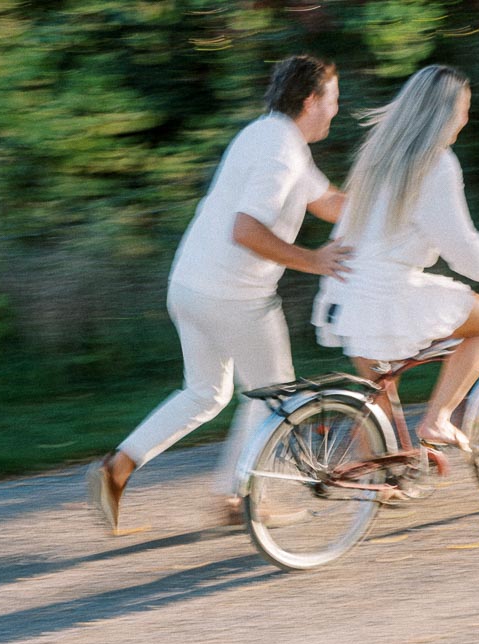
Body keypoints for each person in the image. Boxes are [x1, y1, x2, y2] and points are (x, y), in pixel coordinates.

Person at [87, 54, 351, 532]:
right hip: (235, 296)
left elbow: (329, 202)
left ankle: (118, 468)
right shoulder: (281, 151)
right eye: (333, 99)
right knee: (276, 396)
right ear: (311, 100)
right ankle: (240, 498)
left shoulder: (268, 134)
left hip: (190, 286)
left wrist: (390, 204)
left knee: (206, 393)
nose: (337, 108)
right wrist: (313, 260)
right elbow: (245, 230)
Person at [314, 64, 479, 454]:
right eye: (463, 108)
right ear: (445, 112)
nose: (465, 118)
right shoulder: (435, 163)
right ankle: (438, 419)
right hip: (387, 294)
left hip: (345, 292)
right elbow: (462, 249)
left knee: (383, 411)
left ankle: (378, 484)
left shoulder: (379, 155)